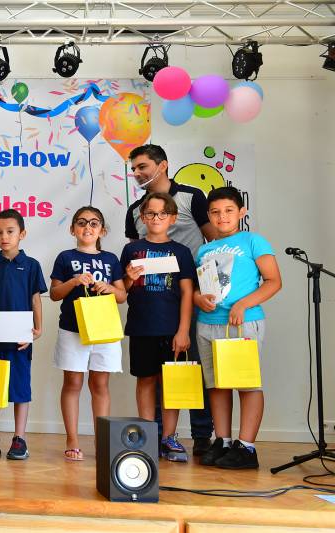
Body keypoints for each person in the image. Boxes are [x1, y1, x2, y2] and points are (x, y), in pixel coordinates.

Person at [126, 143, 215, 457]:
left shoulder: (192, 196)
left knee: (190, 367)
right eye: (134, 169)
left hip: (190, 298)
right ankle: (161, 436)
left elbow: (213, 241)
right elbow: (133, 258)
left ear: (162, 165)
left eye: (142, 167)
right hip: (150, 305)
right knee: (155, 373)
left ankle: (203, 435)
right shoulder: (134, 210)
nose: (137, 173)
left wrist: (211, 288)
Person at [194, 186, 281, 469]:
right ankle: (223, 441)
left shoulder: (254, 241)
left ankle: (247, 447)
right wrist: (198, 299)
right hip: (208, 324)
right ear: (208, 215)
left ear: (241, 212)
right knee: (217, 386)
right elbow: (198, 287)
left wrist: (243, 305)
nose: (222, 217)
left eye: (229, 211)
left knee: (246, 384)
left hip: (242, 323)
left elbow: (273, 281)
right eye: (216, 212)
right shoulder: (204, 249)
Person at [120, 192, 196, 462]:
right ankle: (147, 435)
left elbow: (188, 292)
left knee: (172, 384)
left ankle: (169, 437)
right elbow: (122, 291)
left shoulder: (182, 252)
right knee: (146, 380)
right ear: (142, 217)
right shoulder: (131, 250)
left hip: (172, 328)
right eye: (151, 213)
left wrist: (183, 330)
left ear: (172, 219)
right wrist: (128, 279)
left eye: (162, 214)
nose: (156, 218)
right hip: (142, 326)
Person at [49, 206, 127, 461]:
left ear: (102, 230)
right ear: (73, 229)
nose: (87, 227)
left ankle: (102, 440)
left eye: (94, 223)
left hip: (104, 330)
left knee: (100, 385)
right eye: (81, 223)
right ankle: (72, 439)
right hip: (73, 329)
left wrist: (108, 288)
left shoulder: (111, 259)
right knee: (72, 383)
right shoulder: (64, 257)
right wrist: (73, 281)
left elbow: (122, 296)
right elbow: (54, 294)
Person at [0, 209, 47, 460]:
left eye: (10, 231)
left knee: (20, 389)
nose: (4, 237)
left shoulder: (31, 265)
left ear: (22, 234)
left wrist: (37, 330)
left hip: (19, 341)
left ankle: (19, 438)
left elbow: (36, 300)